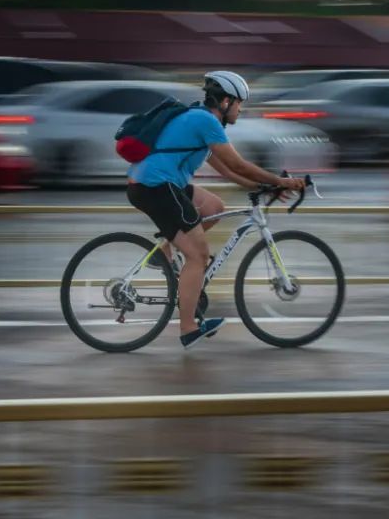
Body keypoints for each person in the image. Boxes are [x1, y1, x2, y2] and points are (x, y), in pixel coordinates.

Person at [126, 70, 305, 349]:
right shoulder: (205, 121)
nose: (240, 109)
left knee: (213, 206)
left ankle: (165, 249)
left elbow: (229, 172)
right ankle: (188, 329)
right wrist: (280, 180)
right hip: (156, 186)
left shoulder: (198, 119)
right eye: (239, 103)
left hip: (157, 183)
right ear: (224, 102)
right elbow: (238, 165)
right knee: (197, 256)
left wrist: (265, 187)